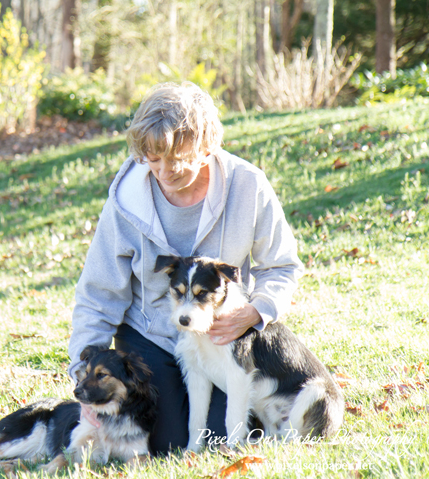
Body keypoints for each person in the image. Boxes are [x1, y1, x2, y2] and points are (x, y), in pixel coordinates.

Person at [67, 82, 303, 454]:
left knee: (220, 439)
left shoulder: (248, 186)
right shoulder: (125, 201)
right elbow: (99, 294)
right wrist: (84, 378)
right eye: (153, 158)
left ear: (207, 145)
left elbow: (282, 266)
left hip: (223, 340)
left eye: (177, 158)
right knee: (165, 442)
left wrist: (255, 312)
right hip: (150, 338)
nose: (164, 170)